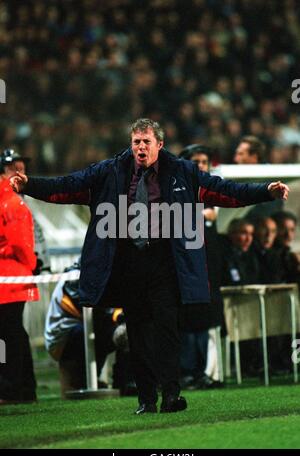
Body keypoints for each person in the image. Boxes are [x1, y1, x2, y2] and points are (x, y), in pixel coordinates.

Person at [11, 118, 289, 414]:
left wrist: (264, 192)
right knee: (137, 331)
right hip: (128, 262)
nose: (140, 148)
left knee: (167, 328)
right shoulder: (110, 170)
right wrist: (31, 185)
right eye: (136, 142)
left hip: (165, 261)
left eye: (146, 142)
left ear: (160, 144)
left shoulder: (183, 171)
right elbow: (67, 187)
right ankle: (146, 399)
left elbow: (226, 192)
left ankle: (171, 395)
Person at [45, 259, 136, 397]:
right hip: (63, 337)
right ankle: (86, 382)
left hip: (83, 328)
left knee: (124, 331)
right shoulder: (75, 277)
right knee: (112, 332)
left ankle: (125, 382)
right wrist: (118, 315)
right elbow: (90, 309)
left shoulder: (100, 272)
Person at [179, 144, 224, 389]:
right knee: (187, 323)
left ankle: (202, 372)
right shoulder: (178, 190)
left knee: (204, 323)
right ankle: (186, 372)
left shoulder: (212, 192)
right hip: (186, 271)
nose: (201, 166)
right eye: (196, 162)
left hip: (208, 271)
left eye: (204, 161)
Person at [0, 149, 39, 404]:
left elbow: (21, 245)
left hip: (10, 276)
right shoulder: (13, 202)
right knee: (13, 332)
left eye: (21, 169)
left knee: (9, 333)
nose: (19, 173)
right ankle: (24, 388)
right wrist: (32, 264)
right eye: (15, 168)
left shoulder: (11, 203)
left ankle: (13, 389)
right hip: (14, 274)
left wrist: (31, 263)